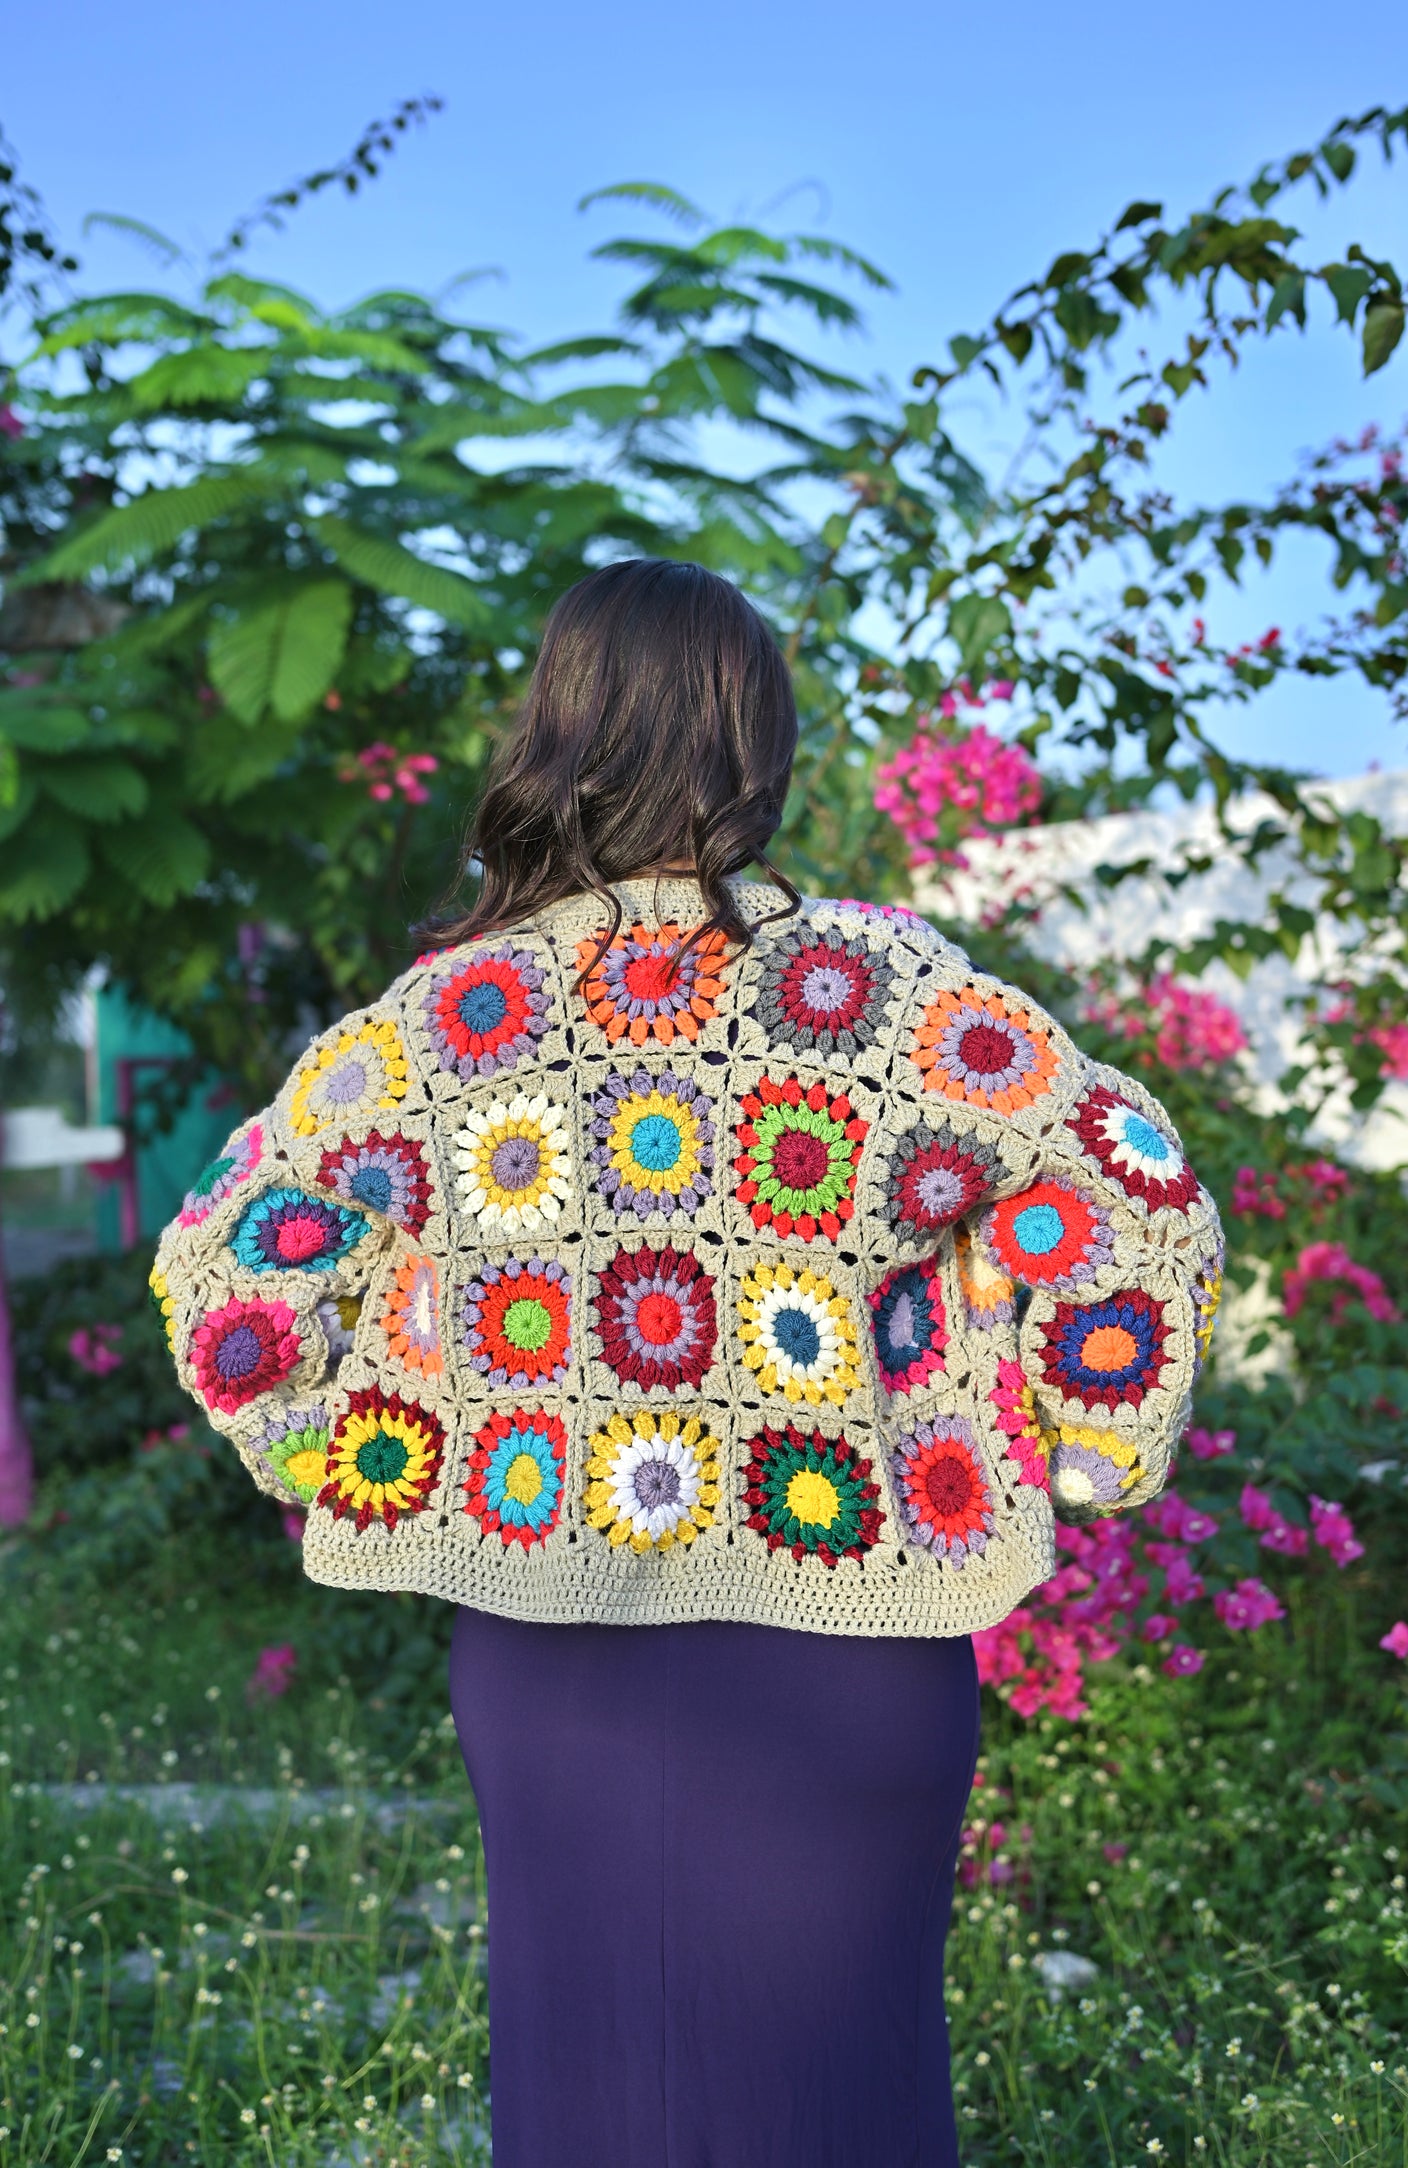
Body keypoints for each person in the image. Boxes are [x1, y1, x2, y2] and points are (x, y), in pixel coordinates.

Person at [155, 558, 1222, 2168]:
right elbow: (1122, 1190)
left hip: (553, 1659)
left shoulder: (445, 1022)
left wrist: (365, 1453)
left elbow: (234, 1270)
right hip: (855, 1648)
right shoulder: (887, 996)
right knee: (843, 2103)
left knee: (596, 2096)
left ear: (557, 731)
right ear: (757, 745)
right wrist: (1086, 1448)